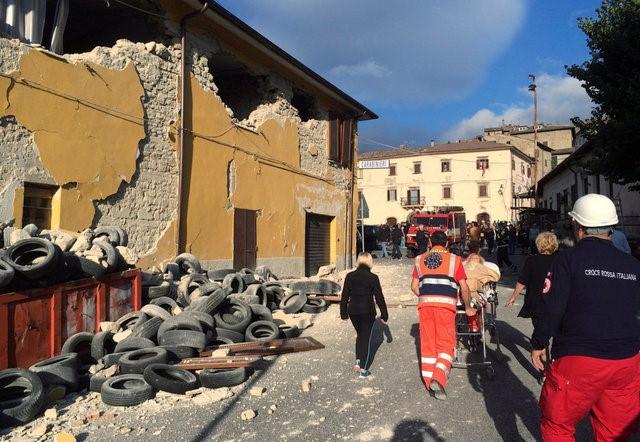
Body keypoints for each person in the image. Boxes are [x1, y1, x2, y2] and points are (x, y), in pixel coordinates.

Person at [530, 194, 640, 441]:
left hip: (580, 357)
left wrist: (539, 342)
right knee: (615, 431)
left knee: (558, 424)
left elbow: (552, 306)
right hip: (627, 359)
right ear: (611, 227)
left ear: (579, 227)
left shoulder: (567, 259)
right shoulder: (633, 265)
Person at [411, 231, 475, 400]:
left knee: (428, 344)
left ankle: (428, 380)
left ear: (430, 243)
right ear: (447, 244)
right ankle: (438, 377)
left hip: (425, 306)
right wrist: (468, 307)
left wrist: (426, 296)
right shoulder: (455, 260)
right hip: (445, 307)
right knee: (446, 343)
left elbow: (413, 286)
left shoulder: (419, 259)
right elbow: (465, 288)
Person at [340, 252, 389, 379]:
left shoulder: (349, 276)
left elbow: (344, 296)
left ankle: (358, 361)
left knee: (360, 336)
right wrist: (384, 315)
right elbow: (379, 297)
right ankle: (363, 369)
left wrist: (343, 314)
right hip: (367, 311)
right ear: (369, 262)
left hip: (353, 312)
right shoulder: (373, 277)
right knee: (366, 338)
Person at [506, 232, 558, 329]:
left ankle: (540, 343)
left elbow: (522, 281)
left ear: (539, 244)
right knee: (552, 329)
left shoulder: (532, 260)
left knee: (539, 330)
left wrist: (513, 297)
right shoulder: (559, 260)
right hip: (555, 300)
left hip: (536, 301)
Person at [463, 240, 500, 332]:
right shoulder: (486, 265)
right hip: (479, 292)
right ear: (479, 250)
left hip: (465, 293)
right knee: (485, 295)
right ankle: (483, 319)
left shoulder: (463, 265)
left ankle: (472, 323)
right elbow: (495, 276)